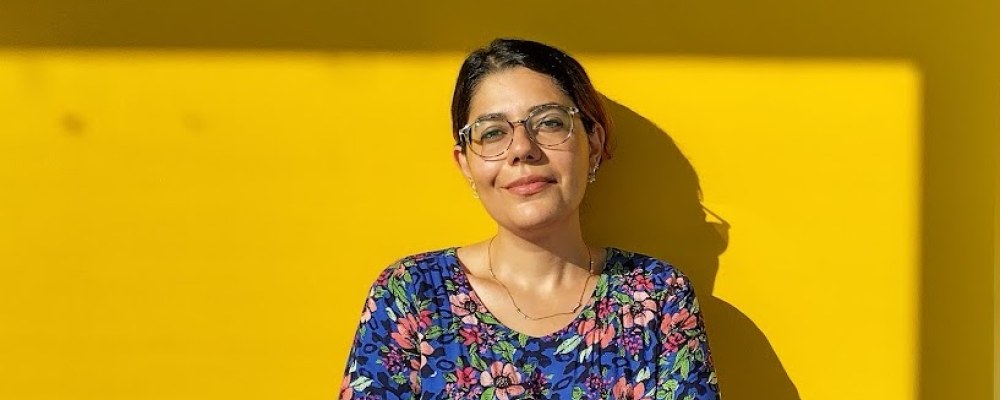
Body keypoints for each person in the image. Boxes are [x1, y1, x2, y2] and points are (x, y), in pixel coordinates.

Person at [339, 38, 720, 400]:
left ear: (595, 143)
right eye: (492, 133)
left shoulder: (656, 297)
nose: (522, 149)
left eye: (550, 122)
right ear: (466, 164)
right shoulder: (411, 296)